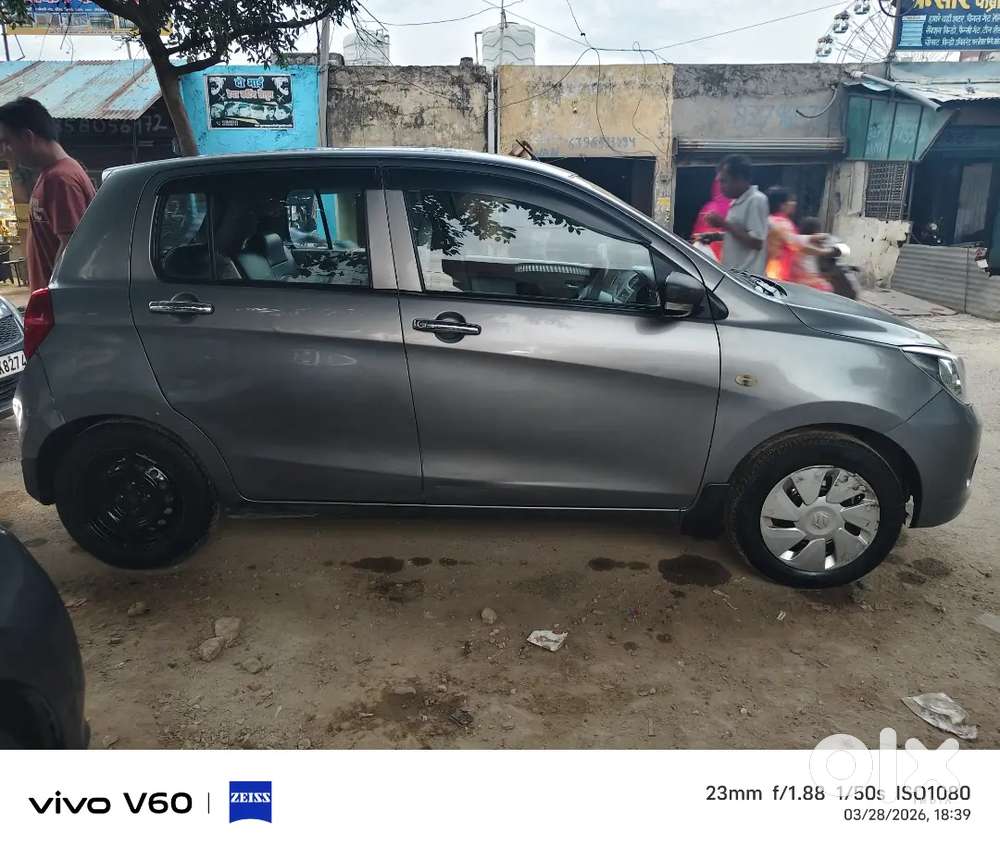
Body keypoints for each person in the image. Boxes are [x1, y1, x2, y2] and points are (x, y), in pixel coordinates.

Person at [0, 97, 95, 292]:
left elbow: (72, 248)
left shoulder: (60, 179)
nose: (3, 151)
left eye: (6, 142)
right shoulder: (54, 173)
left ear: (27, 137)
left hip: (59, 305)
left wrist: (49, 298)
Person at [705, 154, 769, 276]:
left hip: (748, 279)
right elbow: (741, 233)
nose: (721, 187)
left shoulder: (756, 200)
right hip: (734, 276)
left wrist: (723, 223)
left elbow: (757, 242)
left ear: (739, 179)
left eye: (724, 181)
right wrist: (716, 236)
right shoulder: (736, 201)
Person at [690, 177, 731, 262]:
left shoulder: (709, 207)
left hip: (711, 259)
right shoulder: (735, 207)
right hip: (723, 258)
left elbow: (698, 234)